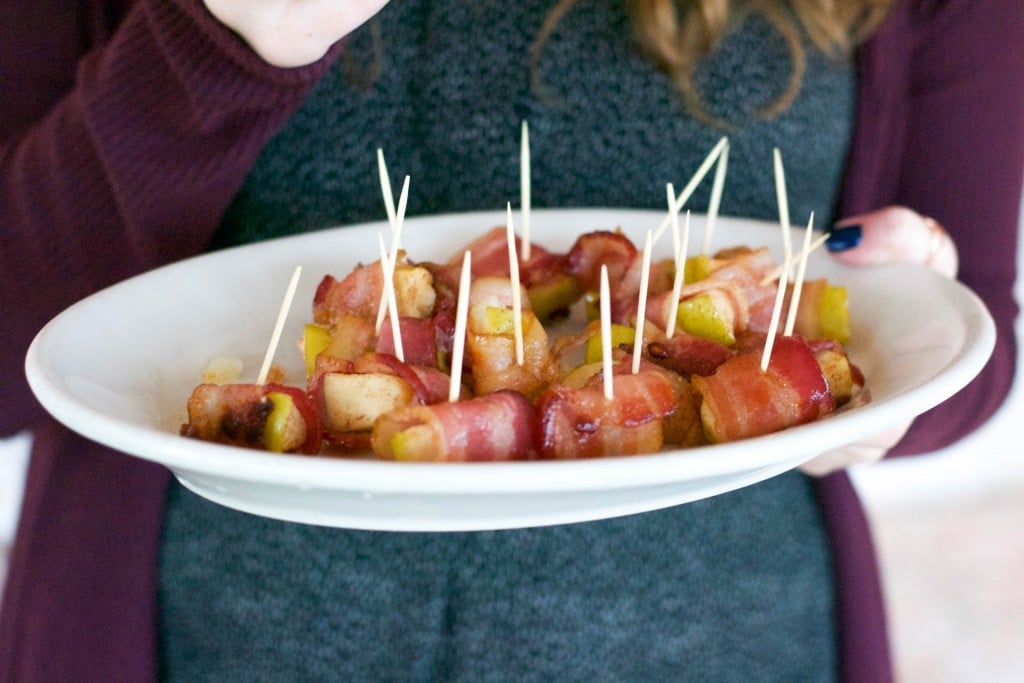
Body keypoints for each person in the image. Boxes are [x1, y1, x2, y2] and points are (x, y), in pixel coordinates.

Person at [1, 1, 1021, 680]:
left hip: (731, 636)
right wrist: (222, 36)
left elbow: (974, 339)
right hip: (203, 635)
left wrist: (891, 371)